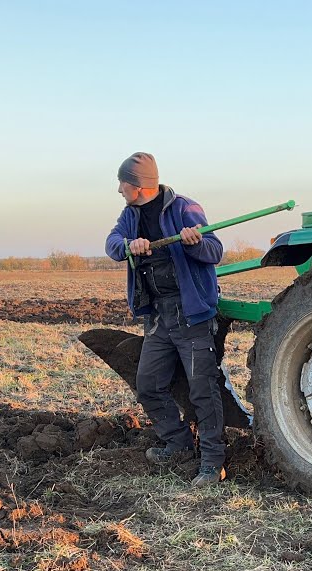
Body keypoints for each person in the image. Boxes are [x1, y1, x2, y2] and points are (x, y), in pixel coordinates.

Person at [105, 152, 227, 487]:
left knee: (202, 390)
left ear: (138, 185)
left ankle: (213, 463)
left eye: (122, 183)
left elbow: (215, 251)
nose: (119, 189)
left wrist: (194, 244)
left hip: (191, 315)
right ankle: (179, 444)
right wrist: (130, 245)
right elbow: (112, 244)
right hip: (158, 316)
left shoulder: (184, 208)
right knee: (147, 385)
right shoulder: (130, 215)